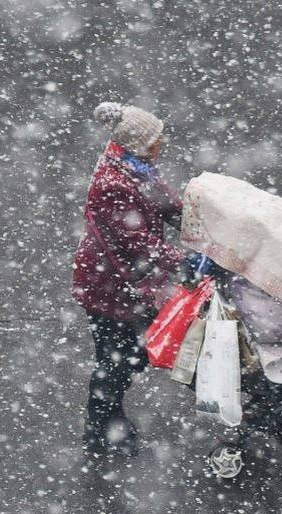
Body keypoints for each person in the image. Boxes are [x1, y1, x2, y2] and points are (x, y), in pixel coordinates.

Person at [72, 102, 185, 455]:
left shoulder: (134, 165)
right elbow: (137, 243)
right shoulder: (113, 183)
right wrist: (185, 259)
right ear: (139, 144)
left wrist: (197, 222)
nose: (161, 144)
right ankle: (100, 429)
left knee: (129, 356)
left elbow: (165, 203)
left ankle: (108, 419)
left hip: (126, 284)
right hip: (110, 287)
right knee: (117, 360)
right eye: (155, 140)